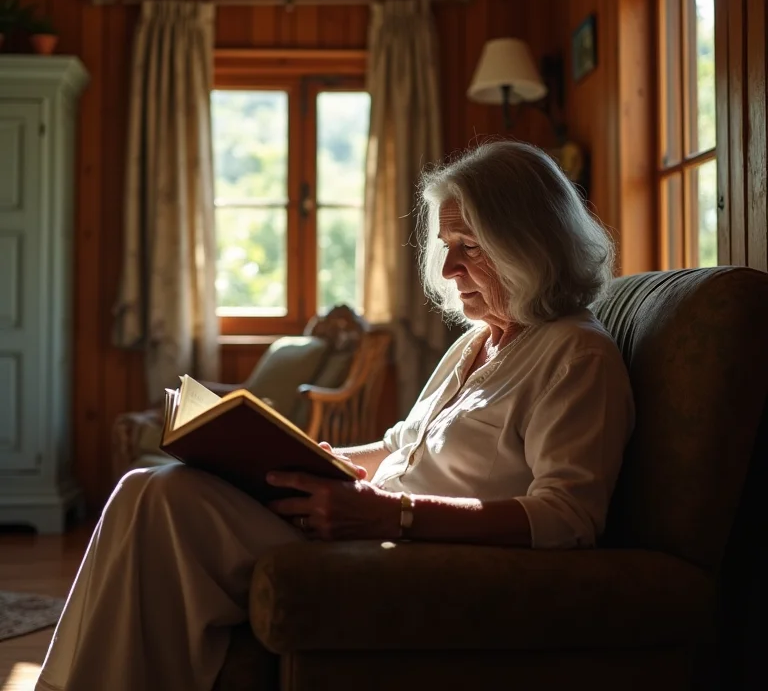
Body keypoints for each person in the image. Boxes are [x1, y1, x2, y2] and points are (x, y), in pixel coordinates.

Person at [36, 140, 634, 691]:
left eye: (469, 247)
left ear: (529, 242)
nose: (450, 270)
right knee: (144, 488)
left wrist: (394, 515)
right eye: (446, 247)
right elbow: (400, 445)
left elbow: (568, 517)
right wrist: (309, 461)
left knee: (164, 501)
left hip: (416, 551)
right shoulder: (477, 342)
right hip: (365, 523)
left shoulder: (576, 356)